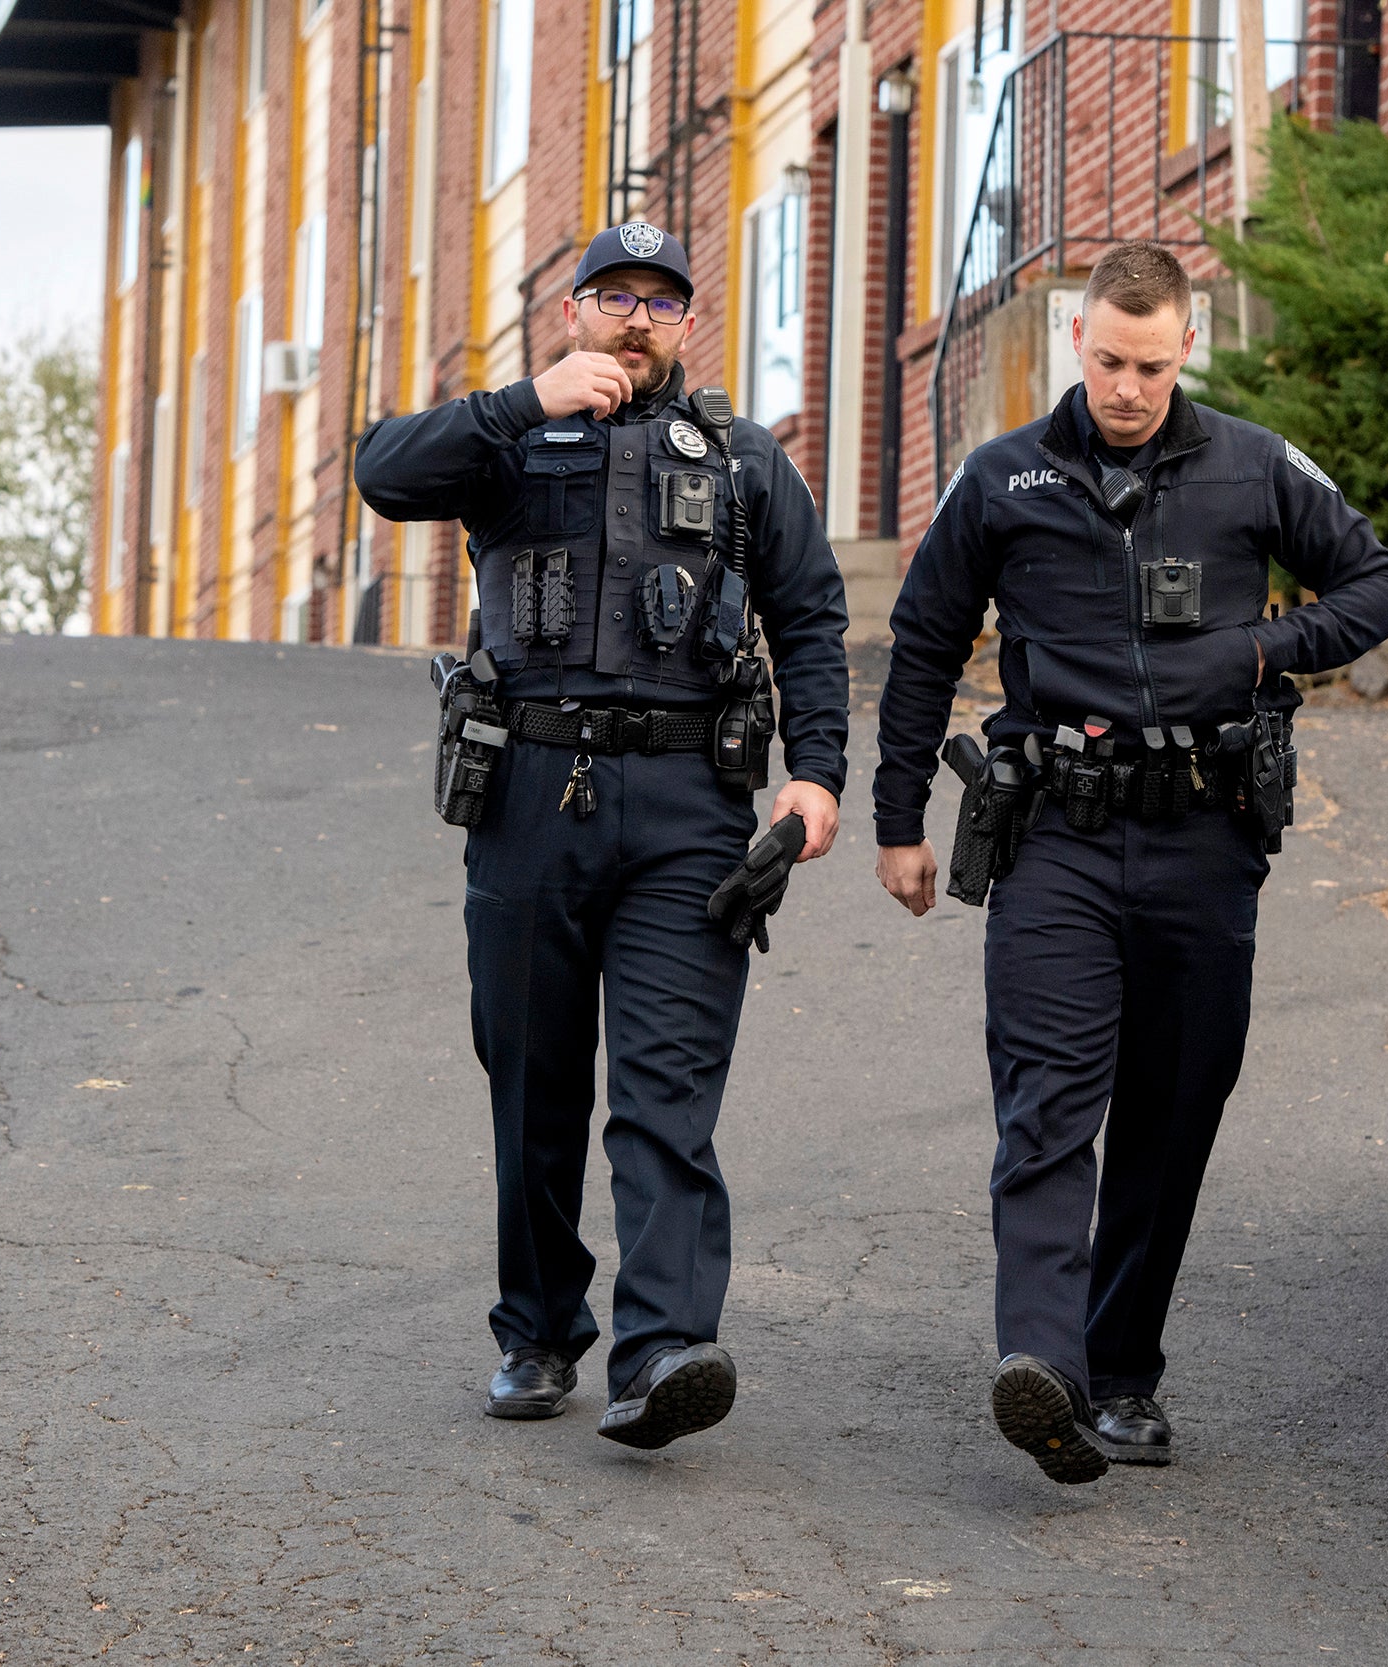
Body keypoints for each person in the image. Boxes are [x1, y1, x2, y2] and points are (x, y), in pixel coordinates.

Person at [873, 242, 1388, 1484]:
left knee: (1173, 1112)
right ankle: (1043, 1371)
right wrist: (899, 818)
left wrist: (1264, 649)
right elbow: (919, 646)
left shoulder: (1252, 464)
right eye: (1110, 361)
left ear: (1188, 345)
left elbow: (1375, 587)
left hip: (1202, 835)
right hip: (1056, 834)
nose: (1127, 385)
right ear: (1077, 340)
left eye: (1152, 364)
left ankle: (1121, 1374)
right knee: (1049, 1103)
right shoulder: (1002, 480)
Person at [354, 221, 850, 1450]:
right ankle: (535, 1328)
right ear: (569, 312)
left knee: (665, 1086)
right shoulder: (506, 438)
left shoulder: (740, 458)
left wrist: (818, 776)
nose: (636, 317)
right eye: (613, 296)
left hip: (691, 805)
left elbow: (812, 617)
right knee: (530, 1081)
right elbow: (379, 471)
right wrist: (524, 401)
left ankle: (664, 1347)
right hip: (529, 787)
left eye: (660, 302)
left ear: (688, 324)